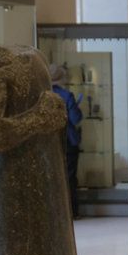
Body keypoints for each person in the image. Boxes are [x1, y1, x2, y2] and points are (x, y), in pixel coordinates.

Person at [49, 64, 83, 220]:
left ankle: (54, 213)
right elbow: (76, 118)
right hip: (68, 141)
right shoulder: (66, 95)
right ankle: (72, 212)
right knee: (69, 177)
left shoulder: (41, 96)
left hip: (49, 142)